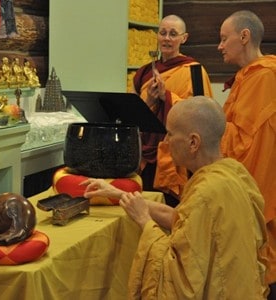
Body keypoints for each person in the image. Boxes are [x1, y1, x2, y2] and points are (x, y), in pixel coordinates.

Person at [82, 96, 269, 299]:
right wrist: (118, 194)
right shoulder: (235, 173)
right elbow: (182, 219)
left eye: (171, 134)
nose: (166, 141)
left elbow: (181, 277)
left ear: (193, 142)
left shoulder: (207, 191)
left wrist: (145, 223)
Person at [218, 10, 276, 297]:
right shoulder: (246, 76)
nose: (219, 46)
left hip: (258, 191)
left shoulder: (265, 77)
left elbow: (245, 144)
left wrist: (205, 127)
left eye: (223, 38)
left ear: (244, 36)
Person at [132, 14, 213, 207]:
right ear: (157, 36)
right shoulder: (143, 72)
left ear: (183, 38)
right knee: (145, 204)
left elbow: (202, 114)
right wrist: (150, 99)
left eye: (173, 34)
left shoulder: (194, 71)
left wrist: (166, 97)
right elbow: (134, 113)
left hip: (176, 151)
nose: (167, 38)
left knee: (169, 208)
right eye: (163, 33)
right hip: (146, 153)